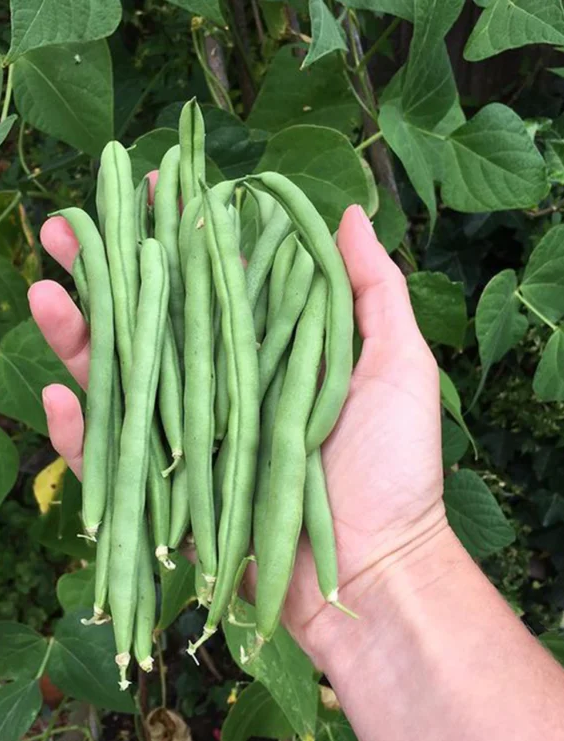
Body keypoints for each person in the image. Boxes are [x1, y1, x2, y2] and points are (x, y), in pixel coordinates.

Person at [29, 197, 564, 741]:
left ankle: (161, 615)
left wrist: (397, 556)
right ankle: (129, 623)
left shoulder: (294, 267)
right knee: (146, 392)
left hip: (341, 545)